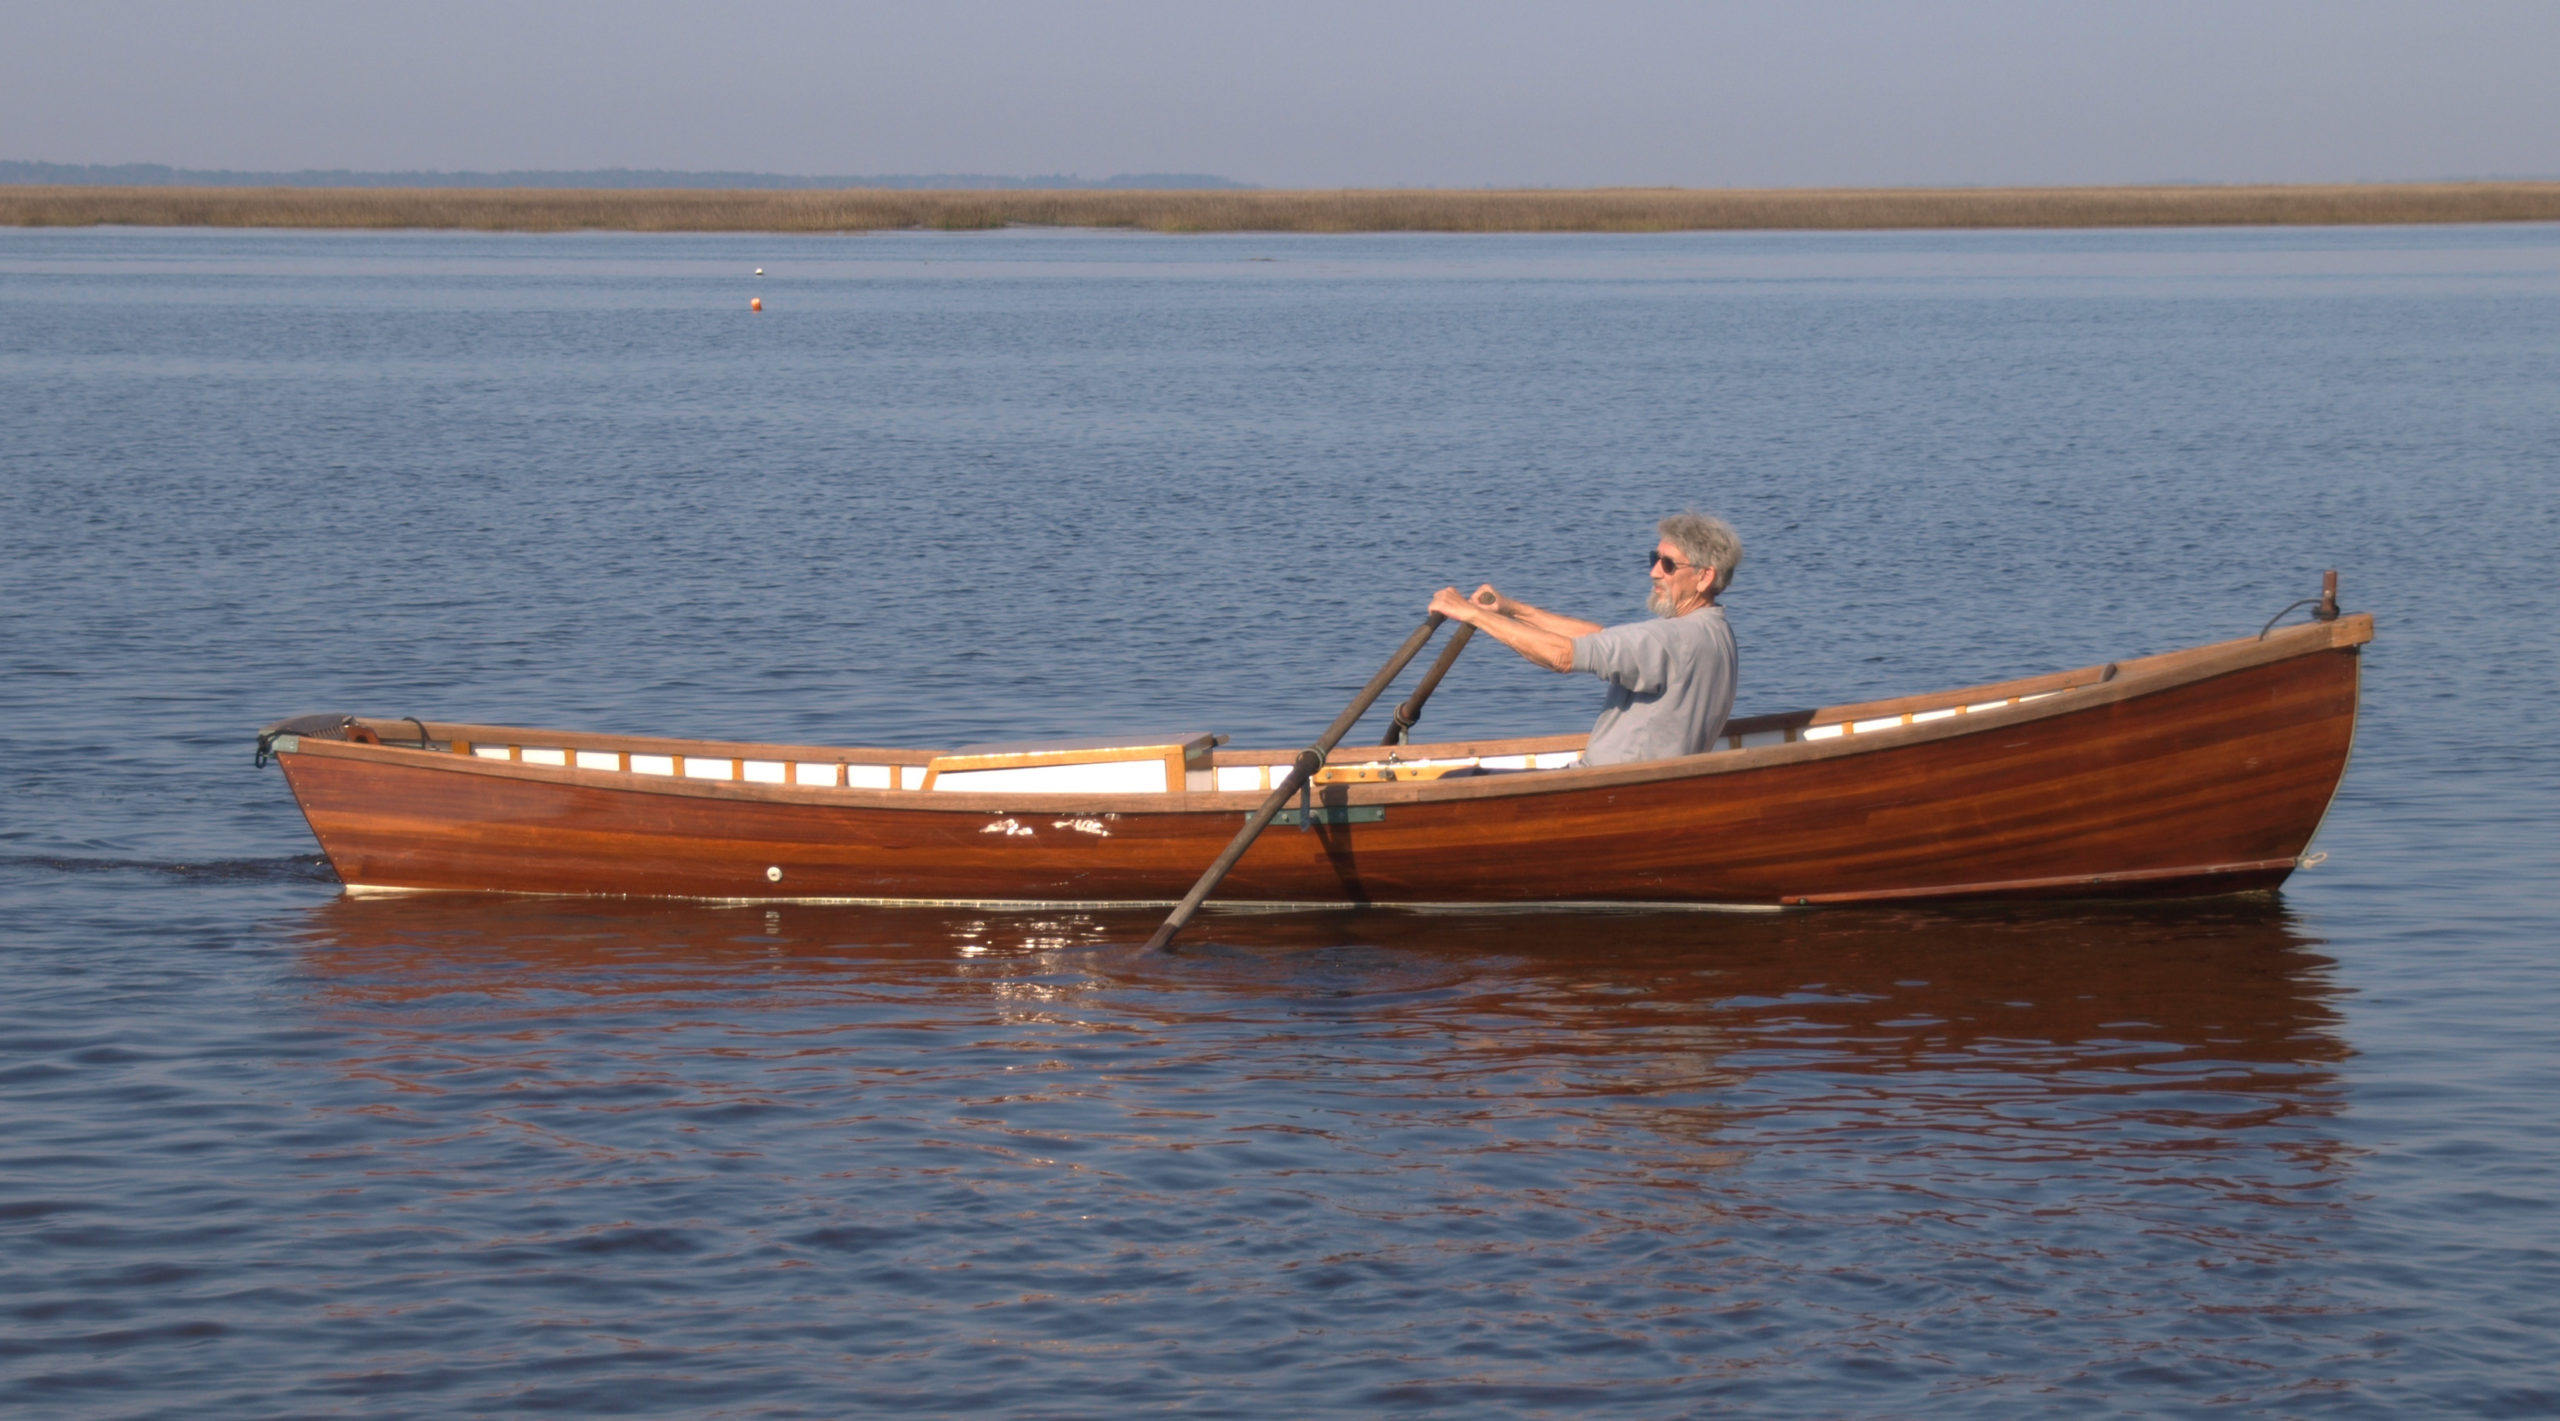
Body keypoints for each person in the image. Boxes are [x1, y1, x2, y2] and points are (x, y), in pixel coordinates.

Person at [1428, 511, 1740, 767]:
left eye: (1668, 564)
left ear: (1705, 576)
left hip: (1609, 789)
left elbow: (1563, 656)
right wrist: (1512, 609)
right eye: (1654, 559)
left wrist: (1472, 614)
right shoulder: (1714, 630)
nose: (1654, 572)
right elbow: (1601, 639)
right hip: (1627, 786)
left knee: (1456, 781)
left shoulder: (1671, 640)